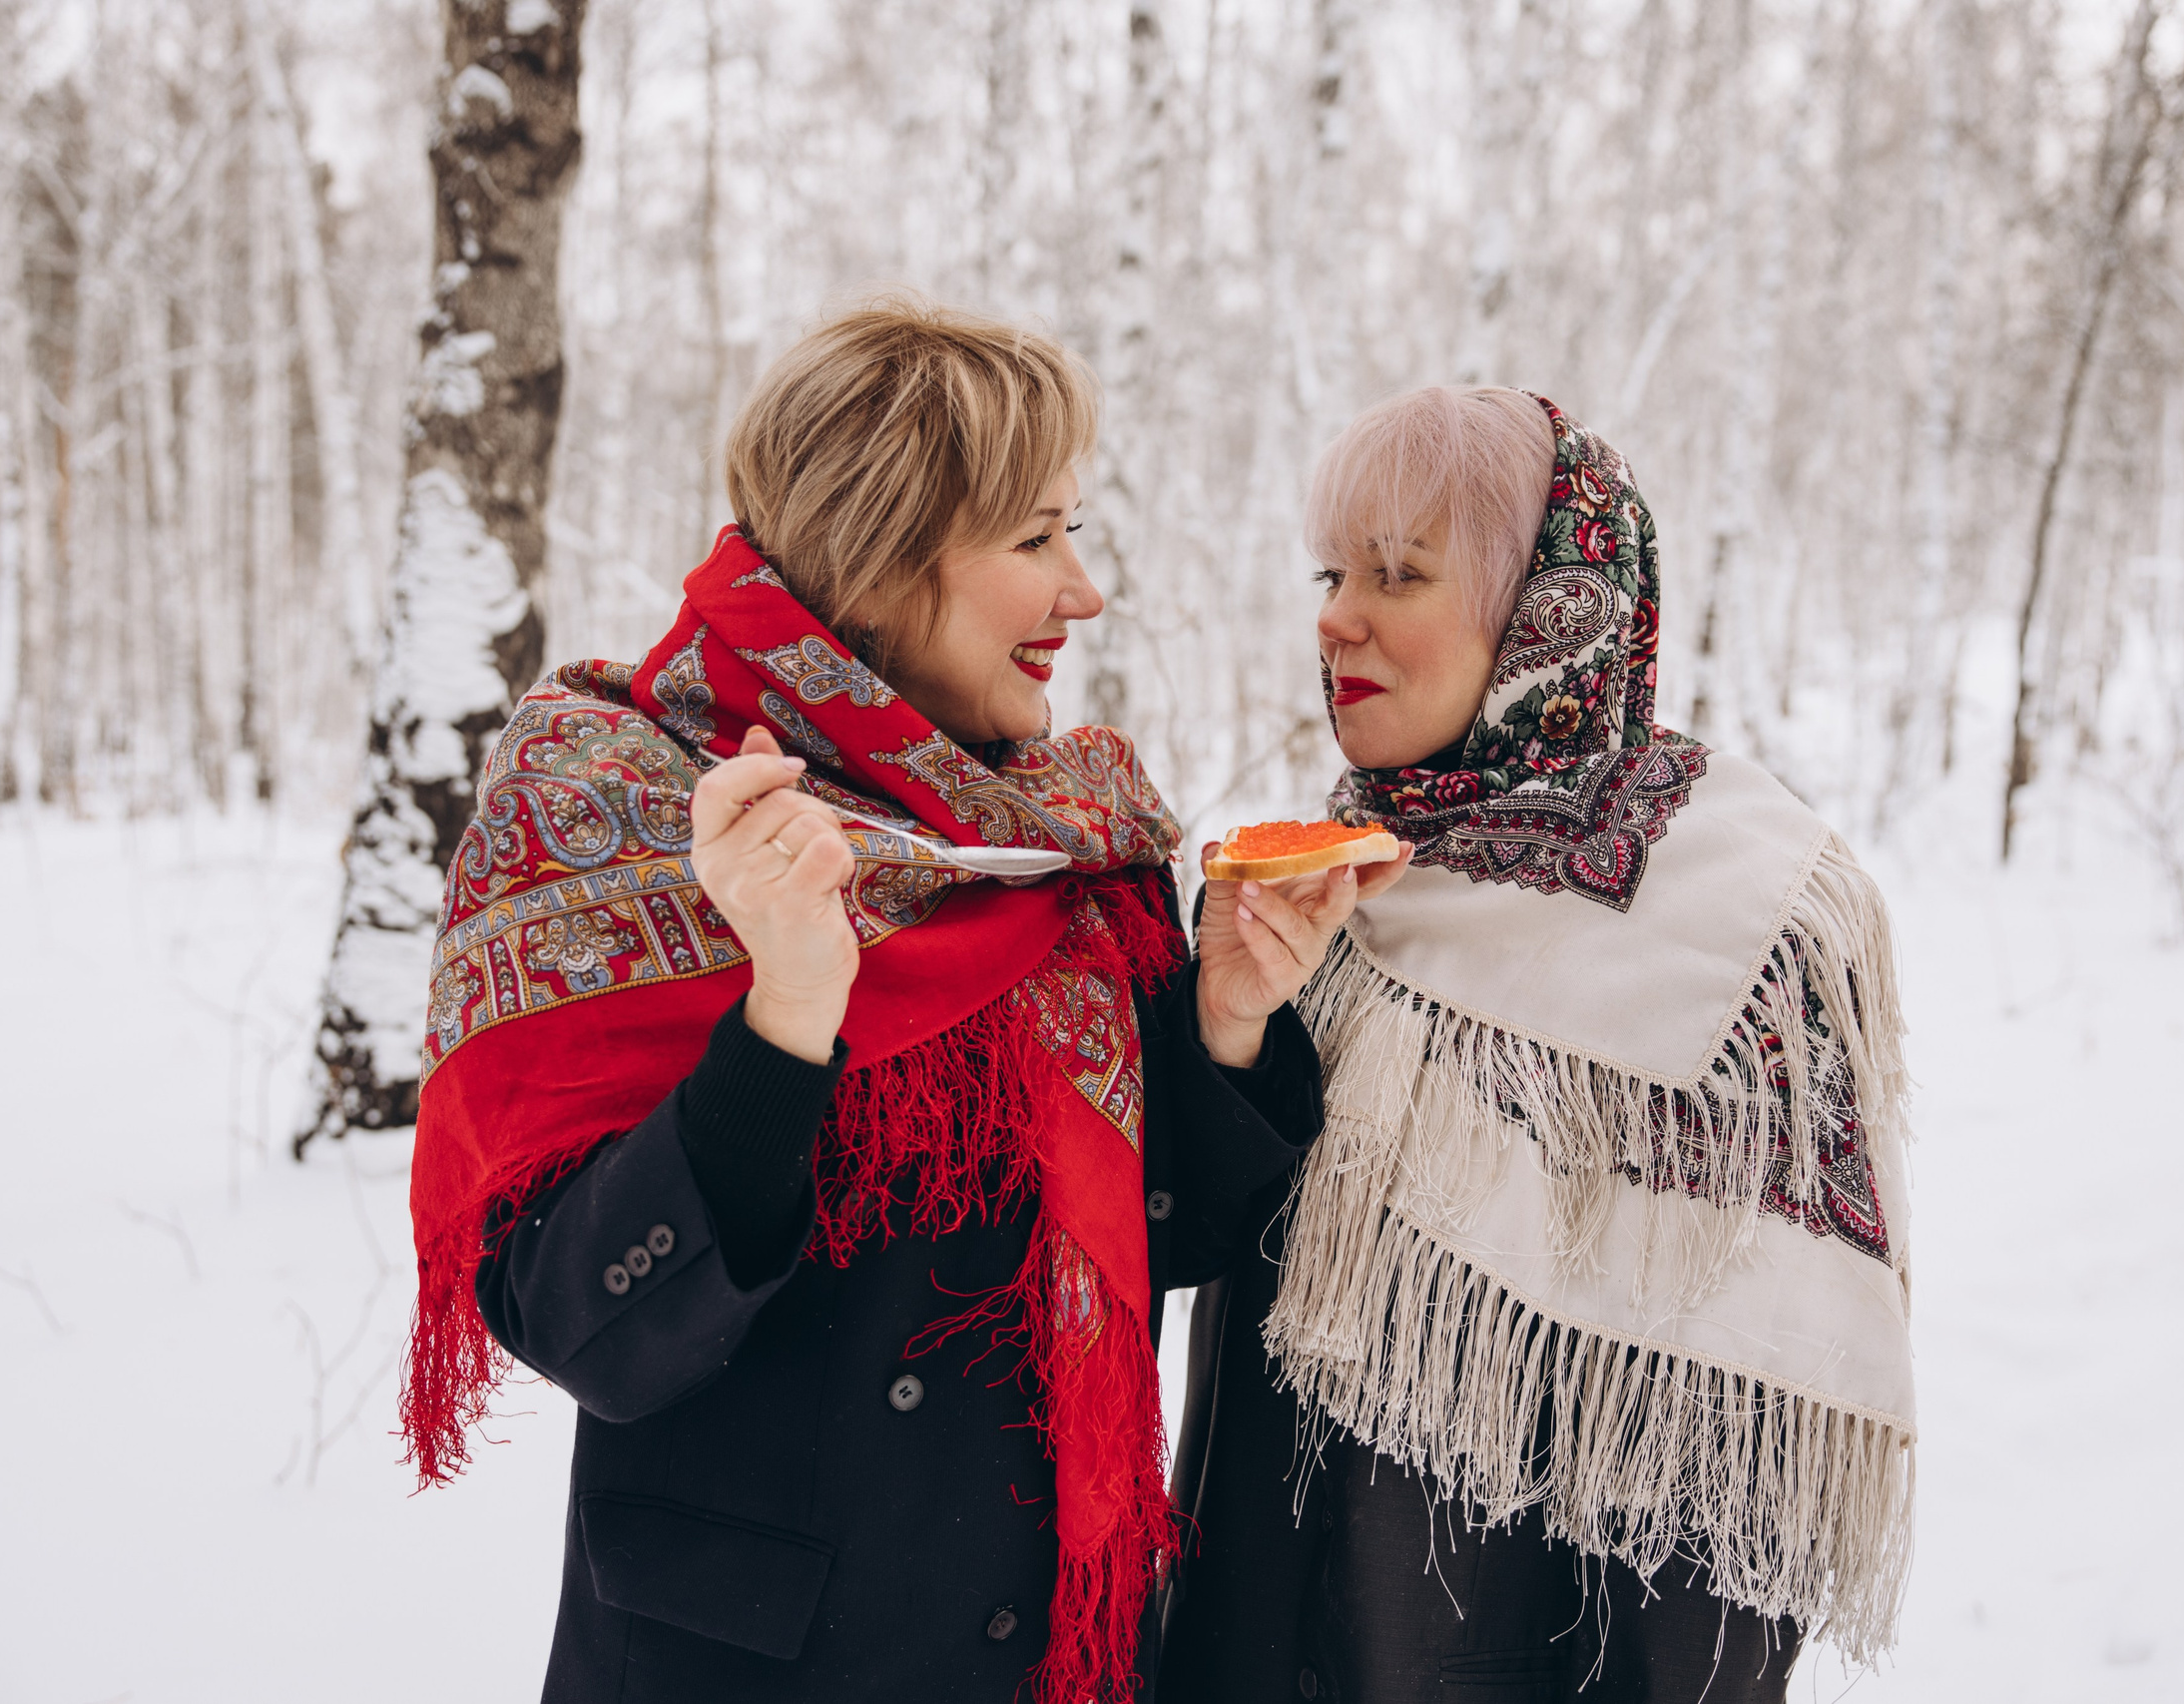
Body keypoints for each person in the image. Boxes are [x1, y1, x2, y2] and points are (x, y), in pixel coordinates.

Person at [400, 296, 1389, 1704]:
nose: (1083, 594)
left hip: (1048, 1656)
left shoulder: (1069, 835)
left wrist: (1224, 1020)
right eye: (1036, 540)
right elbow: (590, 1329)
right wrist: (788, 1014)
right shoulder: (623, 806)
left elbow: (1150, 1233)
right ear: (879, 558)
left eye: (1077, 532)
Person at [1161, 387, 1916, 1703]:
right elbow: (1194, 1244)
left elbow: (1733, 1449)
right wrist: (1225, 1035)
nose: (1337, 616)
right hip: (1250, 1636)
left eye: (1399, 573)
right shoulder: (1319, 889)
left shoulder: (1742, 931)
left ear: (1550, 614)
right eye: (1334, 571)